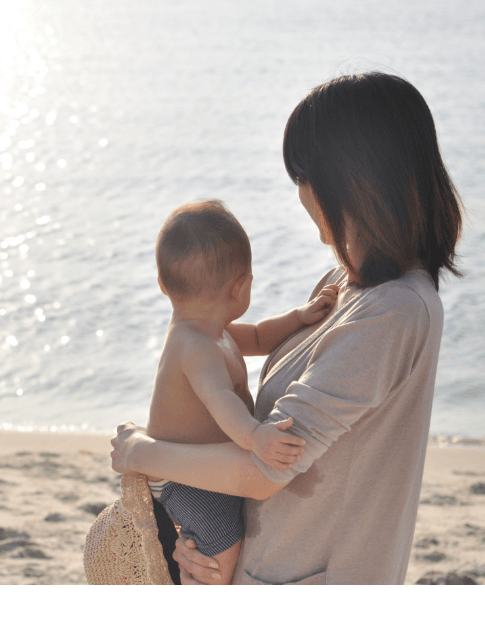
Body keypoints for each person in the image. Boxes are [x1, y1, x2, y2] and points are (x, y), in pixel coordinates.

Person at [111, 72, 462, 585]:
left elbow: (264, 471)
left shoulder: (396, 312)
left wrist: (141, 453)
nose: (299, 193)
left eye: (304, 174)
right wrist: (208, 550)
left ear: (353, 179)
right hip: (262, 569)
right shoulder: (345, 284)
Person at [144, 199, 339, 584]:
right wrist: (256, 437)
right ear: (242, 286)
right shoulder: (194, 346)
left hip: (201, 463)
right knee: (224, 545)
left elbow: (258, 335)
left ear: (163, 284)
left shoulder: (211, 331)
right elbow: (221, 401)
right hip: (183, 475)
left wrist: (298, 317)